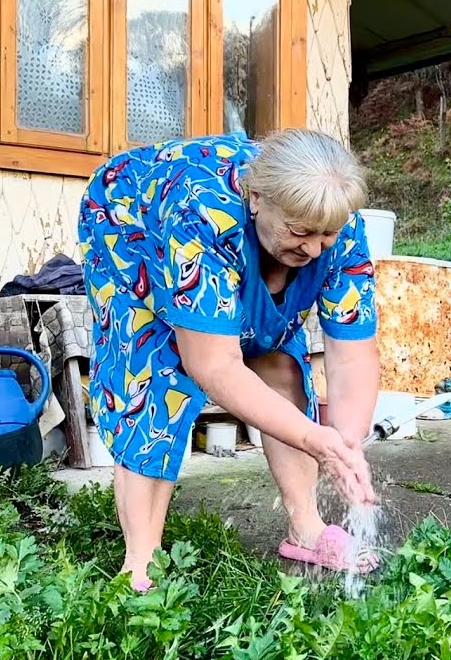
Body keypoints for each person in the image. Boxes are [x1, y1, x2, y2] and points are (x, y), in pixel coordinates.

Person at [78, 128, 382, 589]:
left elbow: (352, 356)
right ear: (255, 197)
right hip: (130, 220)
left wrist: (347, 443)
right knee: (158, 372)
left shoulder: (338, 223)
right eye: (300, 232)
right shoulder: (200, 212)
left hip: (233, 231)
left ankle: (306, 528)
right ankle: (141, 561)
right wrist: (313, 438)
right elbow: (213, 364)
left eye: (326, 235)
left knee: (279, 357)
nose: (315, 249)